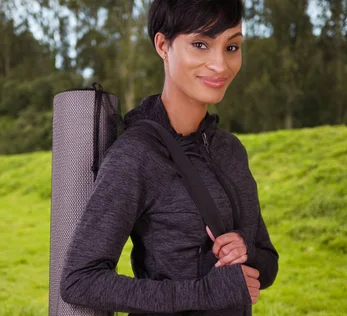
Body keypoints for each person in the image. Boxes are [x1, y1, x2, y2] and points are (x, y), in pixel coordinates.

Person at [60, 0, 279, 315]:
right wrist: (204, 292)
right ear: (163, 45)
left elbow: (267, 267)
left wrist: (245, 248)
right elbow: (80, 282)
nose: (220, 64)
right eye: (200, 44)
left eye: (232, 47)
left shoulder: (230, 150)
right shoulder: (138, 154)